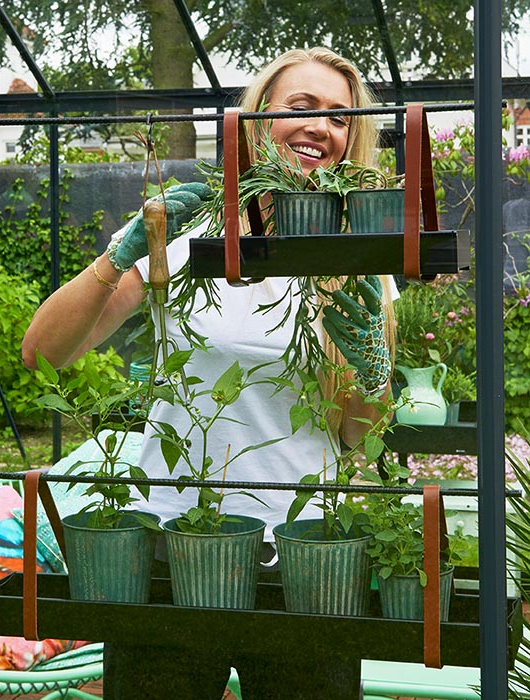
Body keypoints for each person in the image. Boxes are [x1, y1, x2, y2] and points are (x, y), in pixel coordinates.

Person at [23, 46, 396, 700]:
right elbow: (43, 354)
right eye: (301, 108)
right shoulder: (193, 225)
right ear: (255, 121)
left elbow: (356, 431)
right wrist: (121, 253)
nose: (322, 127)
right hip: (167, 549)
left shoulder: (357, 252)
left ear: (353, 137)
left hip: (303, 561)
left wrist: (364, 355)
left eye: (340, 117)